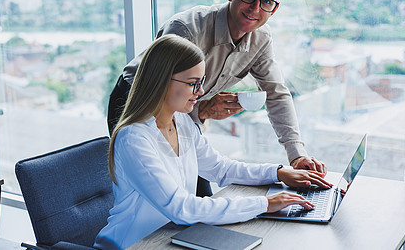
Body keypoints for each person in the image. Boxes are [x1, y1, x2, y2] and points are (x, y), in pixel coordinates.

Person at [107, 0, 326, 197]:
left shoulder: (261, 39)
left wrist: (296, 155)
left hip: (184, 107)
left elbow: (276, 94)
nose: (255, 8)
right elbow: (165, 92)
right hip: (138, 98)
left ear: (274, 8)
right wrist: (201, 111)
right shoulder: (188, 29)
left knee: (198, 187)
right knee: (163, 191)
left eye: (266, 2)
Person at [95, 34, 332, 249]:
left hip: (173, 238)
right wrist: (264, 204)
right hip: (134, 244)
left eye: (202, 81)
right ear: (162, 80)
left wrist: (278, 173)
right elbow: (182, 208)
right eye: (192, 83)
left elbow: (220, 168)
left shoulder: (182, 121)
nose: (200, 92)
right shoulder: (134, 139)